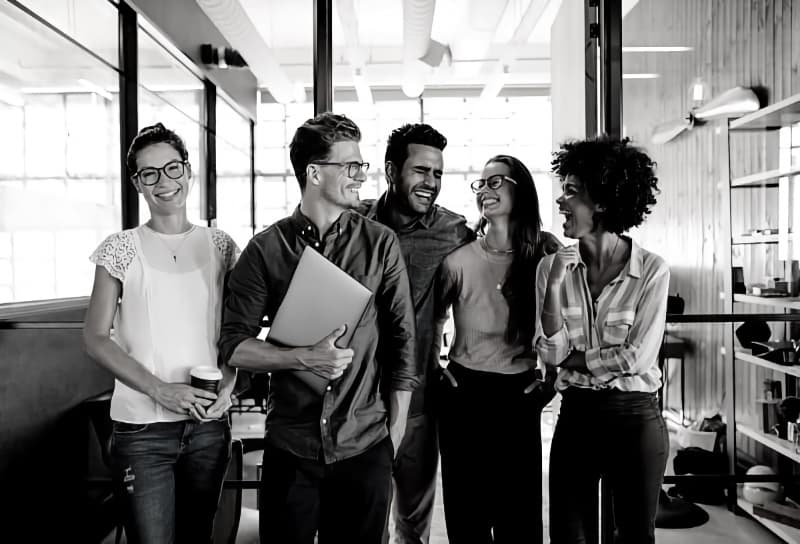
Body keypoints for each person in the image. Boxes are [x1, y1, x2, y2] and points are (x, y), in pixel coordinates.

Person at [218, 112, 418, 543]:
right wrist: (300, 357)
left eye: (360, 166)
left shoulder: (380, 242)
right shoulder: (266, 250)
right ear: (314, 173)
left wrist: (394, 434)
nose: (360, 176)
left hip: (364, 442)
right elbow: (234, 346)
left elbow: (404, 342)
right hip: (291, 445)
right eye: (350, 166)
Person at [83, 123, 239, 543]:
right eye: (149, 173)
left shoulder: (221, 245)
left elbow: (233, 332)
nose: (164, 182)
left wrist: (230, 384)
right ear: (137, 182)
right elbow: (95, 337)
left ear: (188, 172)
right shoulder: (120, 248)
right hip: (142, 432)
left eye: (172, 168)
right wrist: (160, 390)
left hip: (207, 427)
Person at [535, 137, 669, 544]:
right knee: (568, 536)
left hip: (635, 418)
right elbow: (551, 351)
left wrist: (572, 357)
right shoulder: (550, 269)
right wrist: (557, 282)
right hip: (576, 418)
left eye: (572, 191)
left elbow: (636, 359)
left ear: (605, 201)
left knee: (633, 536)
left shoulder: (651, 271)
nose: (560, 201)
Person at [358, 123, 474, 544]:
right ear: (391, 170)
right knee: (365, 526)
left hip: (421, 403)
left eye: (438, 174)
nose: (431, 183)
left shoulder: (454, 232)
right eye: (421, 171)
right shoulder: (354, 223)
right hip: (358, 405)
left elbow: (513, 249)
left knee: (413, 524)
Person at [435, 155, 560, 543]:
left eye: (495, 182)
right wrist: (436, 369)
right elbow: (433, 320)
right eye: (481, 184)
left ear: (520, 190)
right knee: (467, 517)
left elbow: (564, 326)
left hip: (517, 394)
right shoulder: (457, 261)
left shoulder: (544, 256)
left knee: (519, 518)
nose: (485, 191)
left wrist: (551, 382)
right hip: (463, 393)